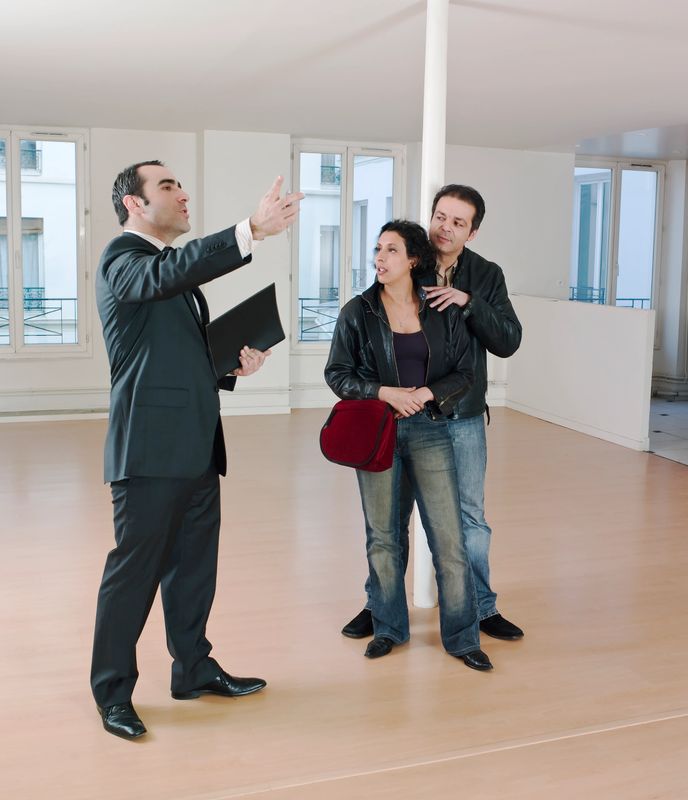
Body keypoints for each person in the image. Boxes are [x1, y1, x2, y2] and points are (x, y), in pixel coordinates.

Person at [91, 160, 303, 740]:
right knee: (134, 575)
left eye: (181, 184)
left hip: (196, 448)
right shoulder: (122, 260)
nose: (184, 194)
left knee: (193, 570)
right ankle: (112, 692)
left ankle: (192, 669)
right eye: (168, 186)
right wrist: (249, 230)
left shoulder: (165, 274)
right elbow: (169, 274)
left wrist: (230, 365)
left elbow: (171, 357)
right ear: (135, 205)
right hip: (149, 452)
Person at [342, 185, 524, 642]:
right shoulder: (407, 263)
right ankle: (379, 607)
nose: (445, 227)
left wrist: (469, 303)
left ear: (472, 232)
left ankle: (481, 610)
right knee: (388, 521)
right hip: (399, 417)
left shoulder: (485, 275)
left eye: (458, 222)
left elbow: (508, 341)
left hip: (459, 413)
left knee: (467, 519)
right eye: (441, 216)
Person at [325, 220, 492, 671]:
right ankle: (388, 628)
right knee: (383, 538)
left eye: (391, 250)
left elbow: (464, 371)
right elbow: (337, 373)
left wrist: (425, 394)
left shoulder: (441, 310)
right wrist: (385, 393)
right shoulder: (358, 312)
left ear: (413, 259)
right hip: (378, 433)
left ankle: (462, 637)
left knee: (449, 539)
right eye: (377, 250)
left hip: (432, 431)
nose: (379, 258)